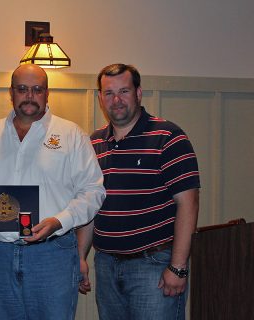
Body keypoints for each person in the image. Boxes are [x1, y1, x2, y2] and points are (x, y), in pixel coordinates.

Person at [0, 64, 106, 320]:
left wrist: (59, 220)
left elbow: (93, 191)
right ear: (11, 92)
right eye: (22, 89)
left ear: (47, 94)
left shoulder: (71, 135)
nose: (29, 96)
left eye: (37, 89)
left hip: (52, 255)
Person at [76, 63, 200, 320]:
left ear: (139, 93)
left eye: (124, 91)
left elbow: (189, 204)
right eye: (109, 93)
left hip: (154, 265)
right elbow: (89, 207)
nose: (117, 100)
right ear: (100, 98)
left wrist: (177, 268)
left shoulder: (169, 137)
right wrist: (80, 257)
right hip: (107, 265)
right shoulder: (94, 143)